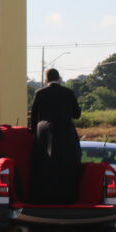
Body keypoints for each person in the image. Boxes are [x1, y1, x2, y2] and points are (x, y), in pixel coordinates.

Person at [29, 68, 81, 202]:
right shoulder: (68, 93)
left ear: (46, 80)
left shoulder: (40, 93)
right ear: (59, 78)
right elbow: (77, 114)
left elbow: (33, 116)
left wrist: (34, 133)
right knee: (70, 160)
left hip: (45, 132)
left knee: (43, 162)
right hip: (66, 130)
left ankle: (44, 194)